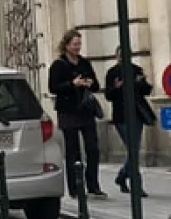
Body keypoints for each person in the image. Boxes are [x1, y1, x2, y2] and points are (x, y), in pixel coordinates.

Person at [48, 29, 106, 199]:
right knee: (73, 151)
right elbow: (53, 88)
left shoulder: (84, 63)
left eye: (79, 44)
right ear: (66, 45)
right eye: (75, 44)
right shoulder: (58, 65)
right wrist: (72, 84)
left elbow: (96, 85)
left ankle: (93, 185)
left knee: (93, 148)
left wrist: (89, 82)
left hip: (86, 111)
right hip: (68, 111)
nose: (77, 47)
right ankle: (75, 188)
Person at [102, 46, 153, 196]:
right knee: (132, 149)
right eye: (120, 56)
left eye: (126, 55)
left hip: (137, 114)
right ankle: (137, 185)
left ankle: (122, 175)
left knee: (134, 150)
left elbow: (146, 91)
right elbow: (108, 95)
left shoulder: (137, 69)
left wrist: (142, 82)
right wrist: (116, 87)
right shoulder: (112, 73)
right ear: (116, 57)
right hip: (121, 116)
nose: (123, 58)